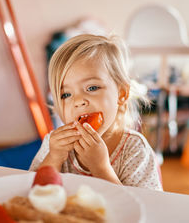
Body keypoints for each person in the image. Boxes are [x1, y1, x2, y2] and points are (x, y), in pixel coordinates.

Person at [30, 34, 162, 190]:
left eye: (92, 88)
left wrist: (101, 168)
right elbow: (33, 189)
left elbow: (145, 207)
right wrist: (53, 158)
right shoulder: (53, 144)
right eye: (66, 94)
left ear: (121, 94)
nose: (78, 101)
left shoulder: (135, 149)